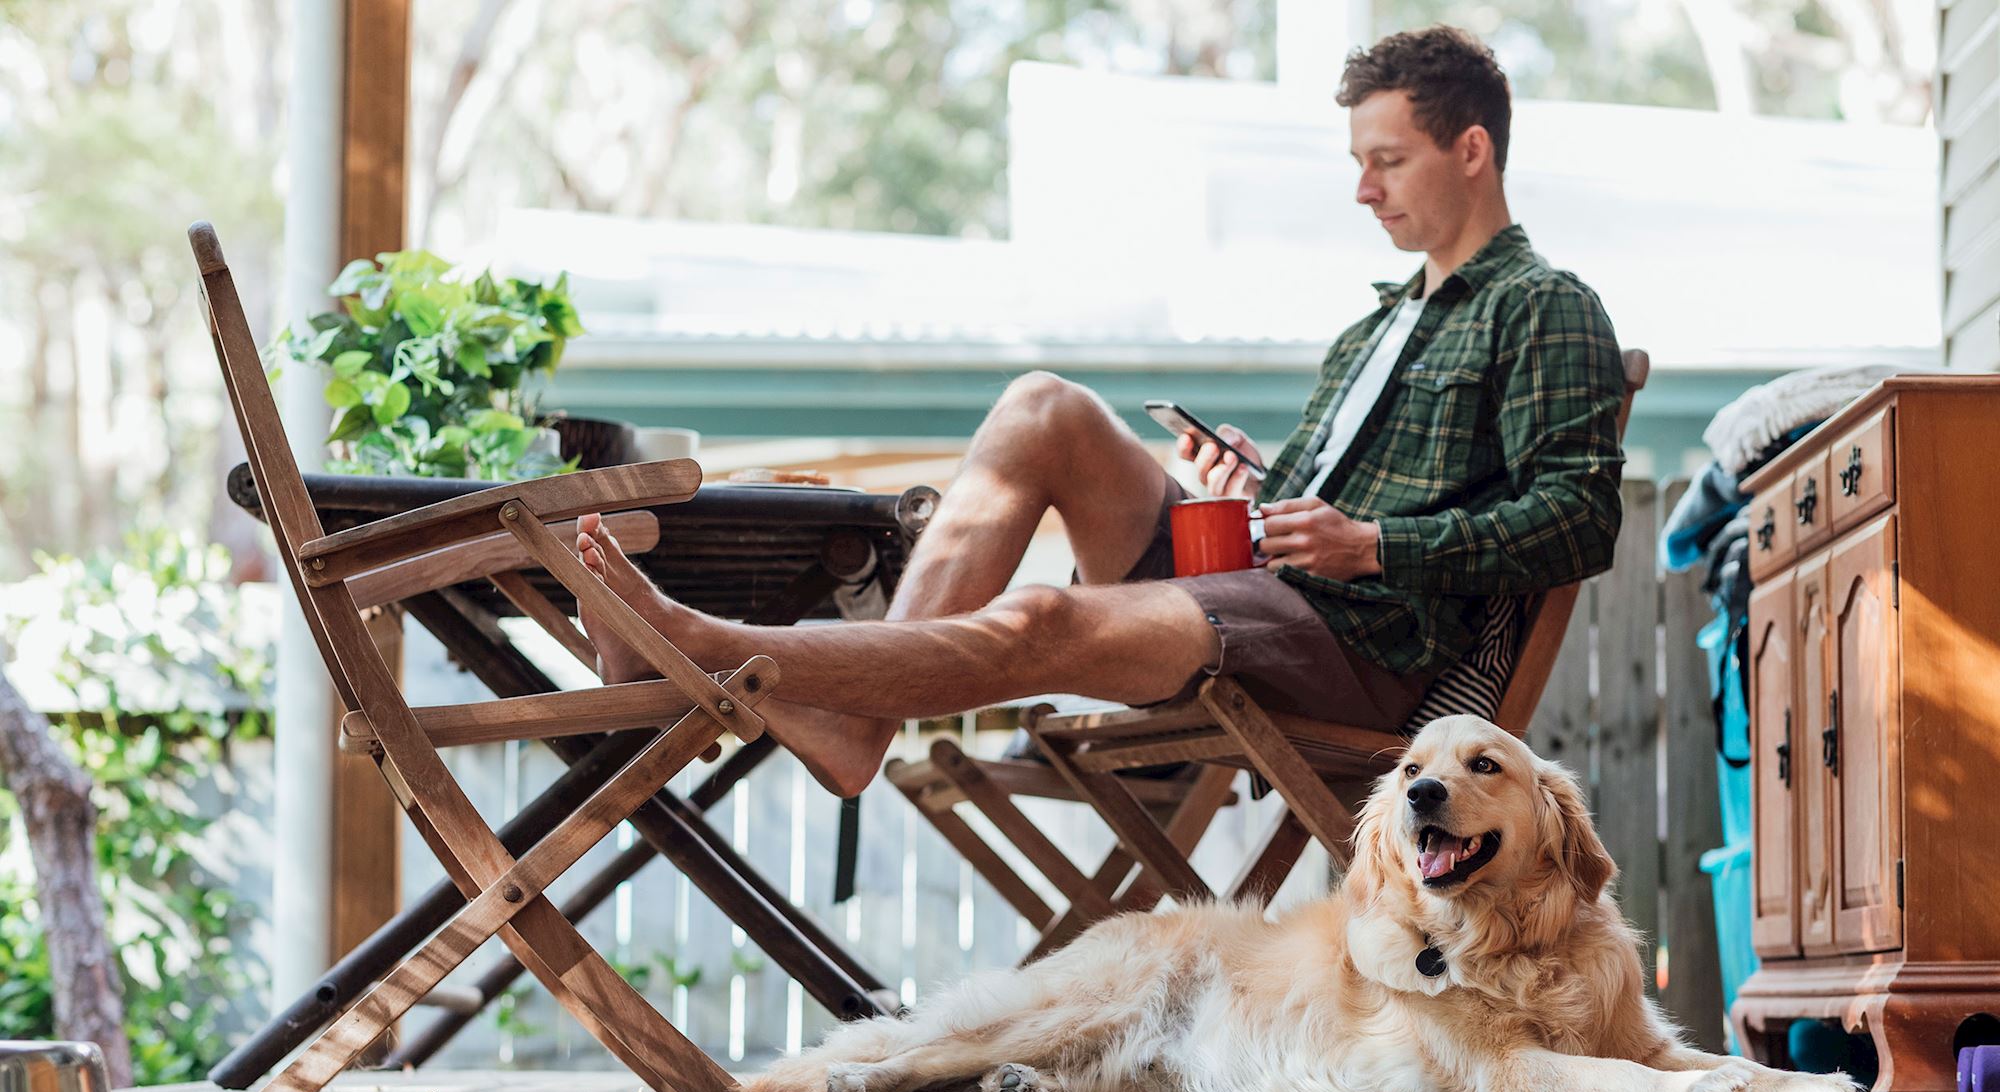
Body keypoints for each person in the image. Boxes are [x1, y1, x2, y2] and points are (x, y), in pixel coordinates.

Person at [576, 25, 1626, 798]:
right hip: (1261, 584)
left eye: (1385, 161)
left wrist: (1377, 545)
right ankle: (856, 721)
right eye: (1357, 162)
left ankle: (708, 642)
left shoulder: (1540, 307)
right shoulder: (1372, 330)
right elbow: (1310, 511)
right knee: (1045, 407)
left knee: (1040, 619)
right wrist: (1255, 486)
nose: (1362, 190)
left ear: (1472, 150)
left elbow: (1579, 517)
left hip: (1358, 643)